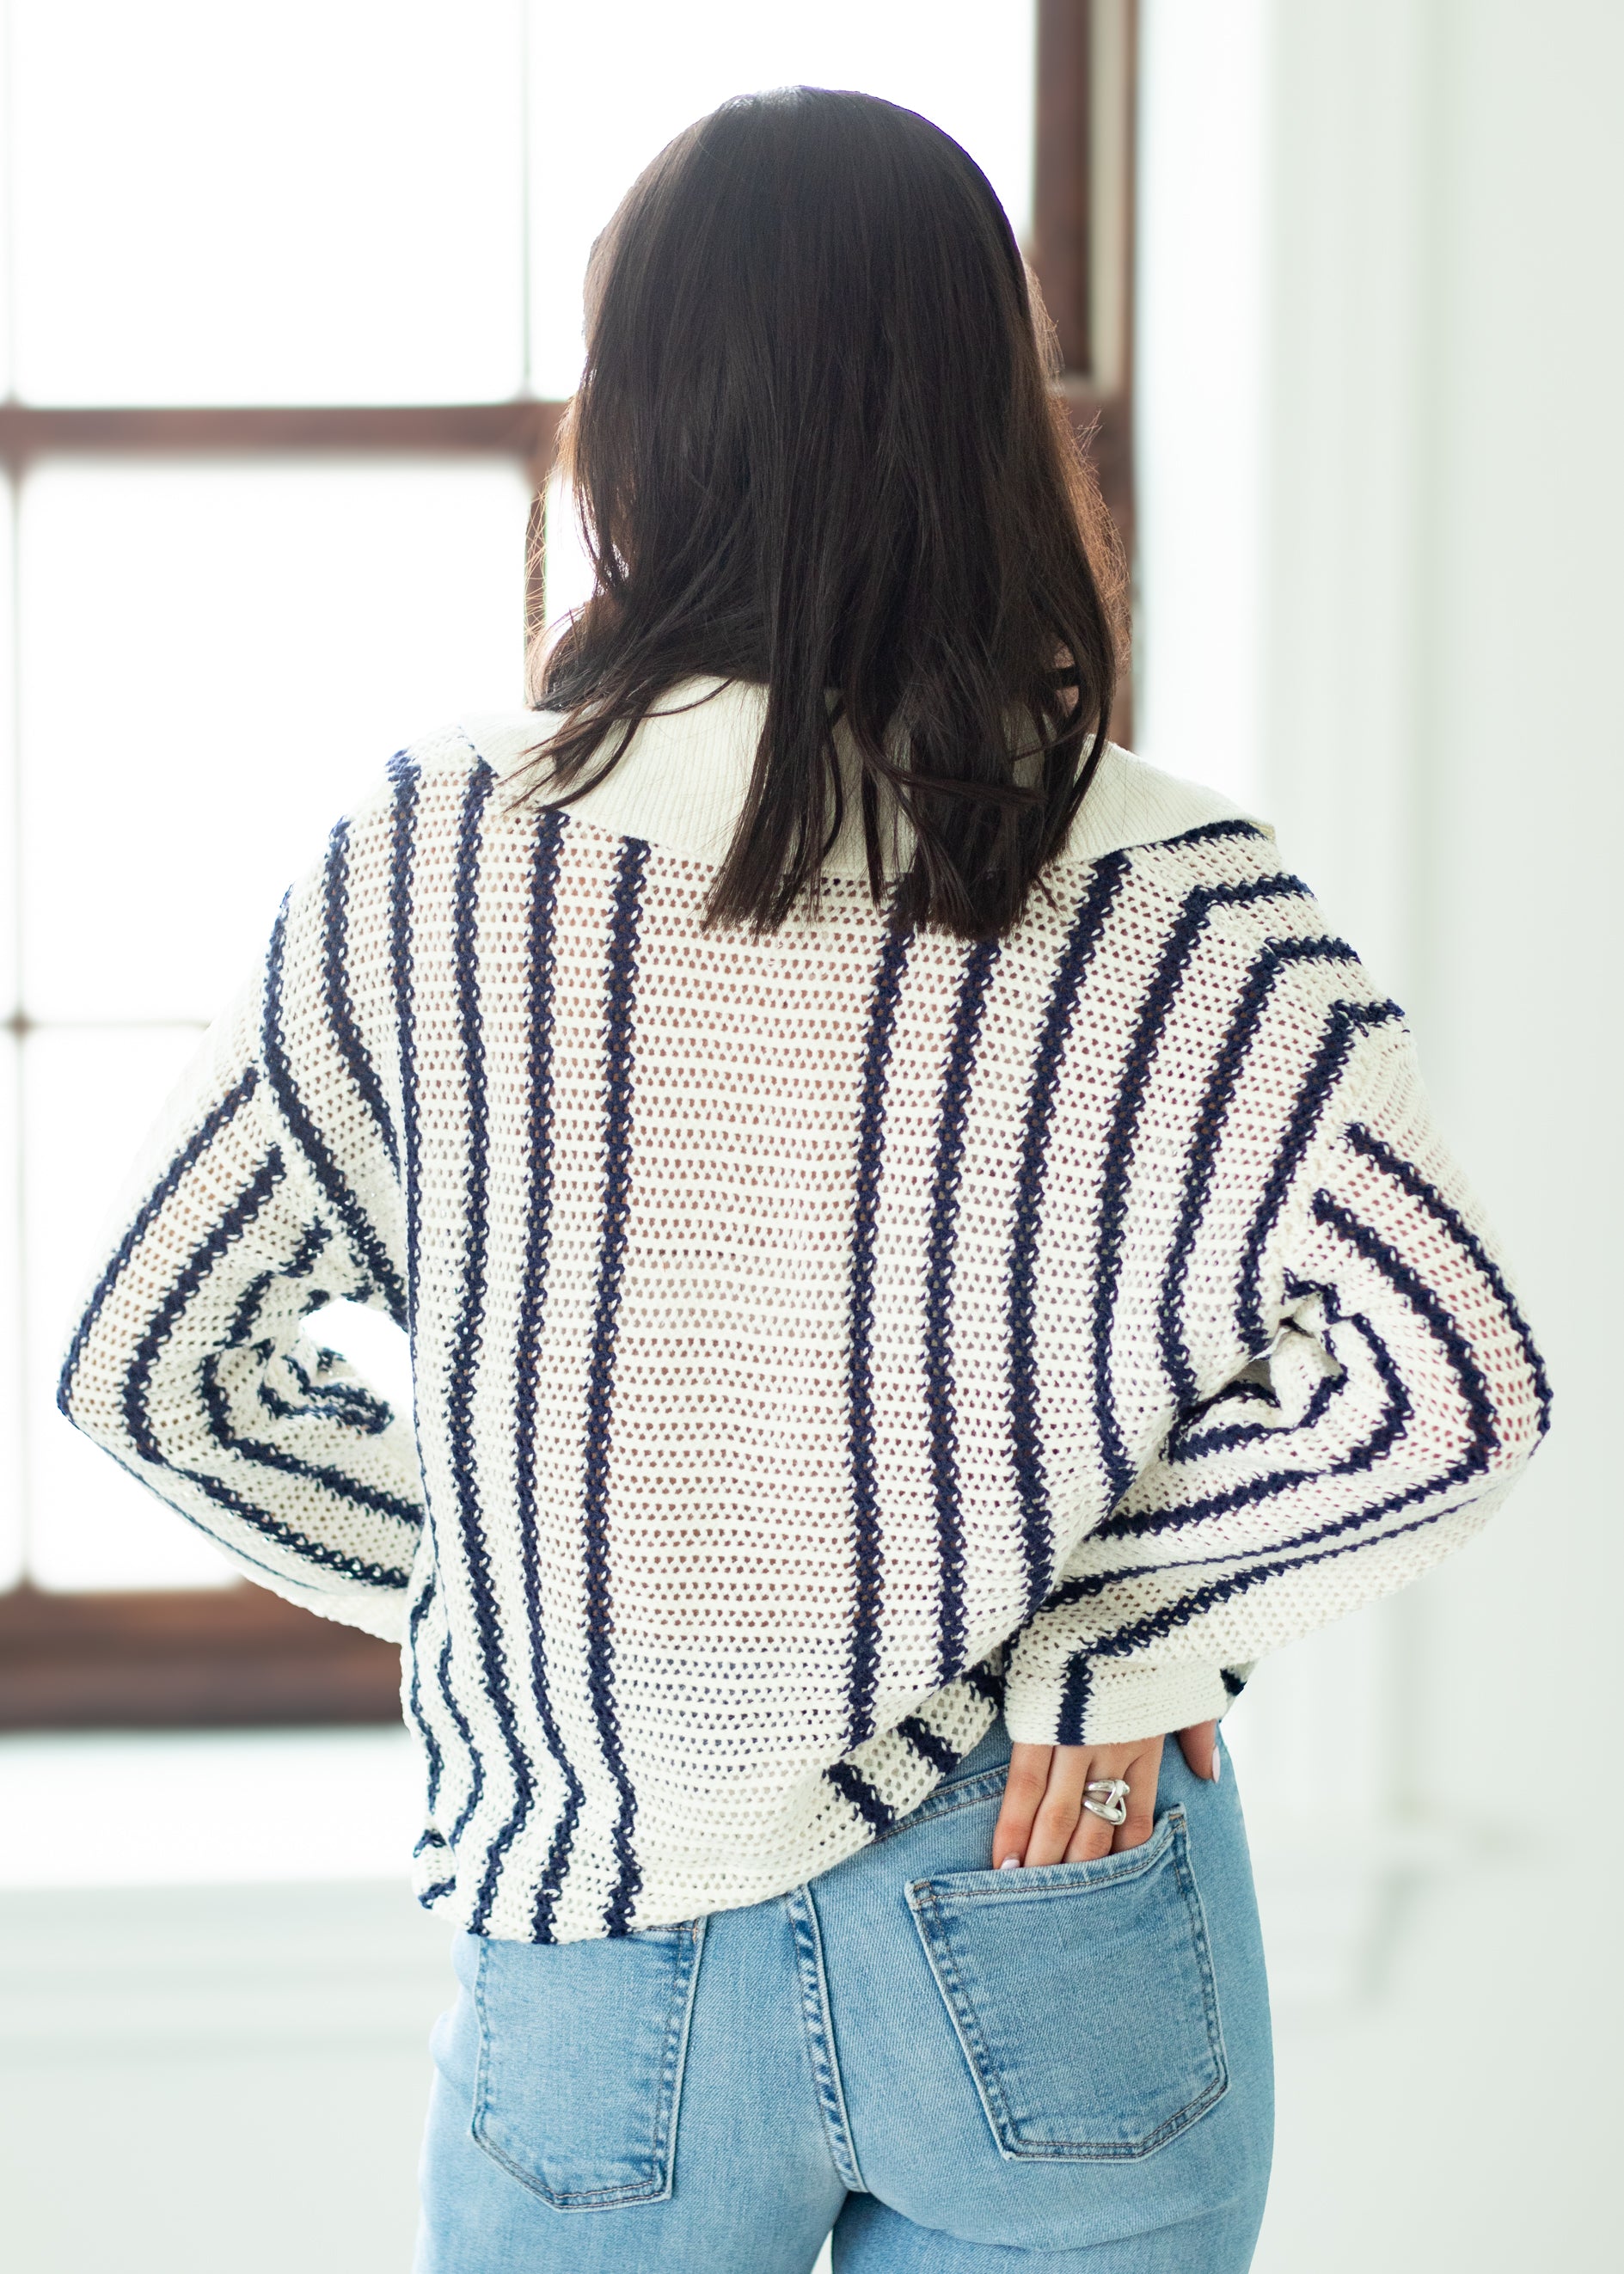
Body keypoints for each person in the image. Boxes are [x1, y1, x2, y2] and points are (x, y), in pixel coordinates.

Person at [58, 87, 1549, 2274]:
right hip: (1054, 1875)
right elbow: (1450, 1378)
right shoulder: (1186, 896)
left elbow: (158, 1370)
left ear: (634, 423)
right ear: (988, 414)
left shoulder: (431, 866)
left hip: (605, 1917)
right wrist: (1113, 1650)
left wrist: (530, 1610)